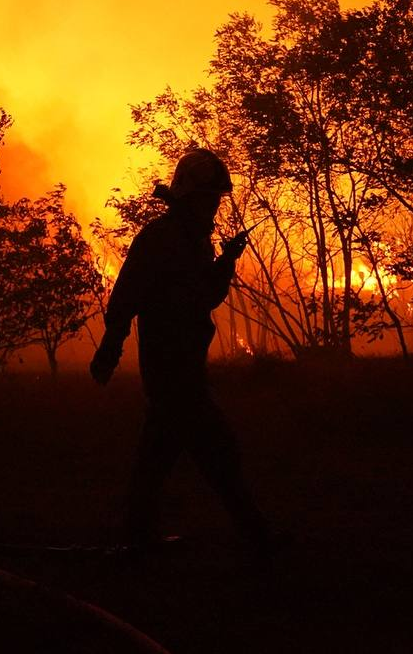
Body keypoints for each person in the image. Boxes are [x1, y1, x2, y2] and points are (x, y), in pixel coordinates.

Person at [90, 148, 271, 563]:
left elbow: (203, 297)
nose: (213, 206)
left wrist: (224, 262)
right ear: (189, 196)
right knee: (217, 450)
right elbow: (125, 298)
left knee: (160, 454)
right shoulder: (159, 239)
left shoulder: (195, 243)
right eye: (208, 198)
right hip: (170, 366)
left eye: (217, 199)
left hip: (185, 364)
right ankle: (258, 539)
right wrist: (110, 348)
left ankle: (138, 538)